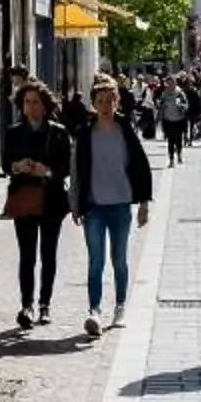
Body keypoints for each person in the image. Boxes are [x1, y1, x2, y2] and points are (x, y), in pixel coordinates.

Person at [72, 72, 153, 340]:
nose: (106, 106)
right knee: (95, 261)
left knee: (119, 260)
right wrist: (75, 204)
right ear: (93, 104)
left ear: (117, 102)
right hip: (94, 206)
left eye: (110, 100)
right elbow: (77, 172)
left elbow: (141, 166)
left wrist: (143, 203)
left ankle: (120, 307)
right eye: (101, 101)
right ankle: (94, 310)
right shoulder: (85, 133)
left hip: (120, 205)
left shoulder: (126, 131)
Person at [2, 79, 72, 329]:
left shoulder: (58, 132)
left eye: (36, 102)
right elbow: (4, 164)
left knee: (48, 254)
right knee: (27, 255)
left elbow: (66, 166)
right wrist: (17, 167)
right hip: (24, 198)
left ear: (45, 105)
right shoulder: (13, 132)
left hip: (52, 200)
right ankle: (26, 305)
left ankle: (45, 304)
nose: (31, 107)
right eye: (27, 102)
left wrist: (48, 171)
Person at [158, 76, 190, 164]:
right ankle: (171, 159)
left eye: (172, 82)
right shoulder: (164, 94)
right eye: (168, 83)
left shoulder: (180, 93)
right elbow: (160, 106)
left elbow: (186, 105)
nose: (170, 84)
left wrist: (181, 106)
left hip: (178, 120)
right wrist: (161, 107)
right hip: (168, 120)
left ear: (175, 83)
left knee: (178, 140)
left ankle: (179, 155)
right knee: (170, 141)